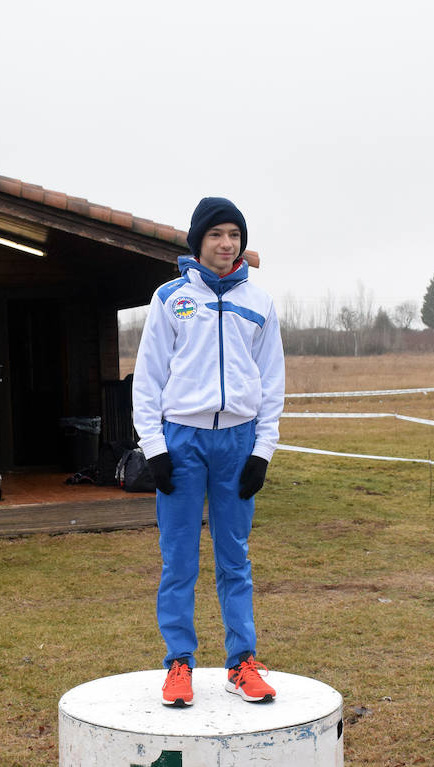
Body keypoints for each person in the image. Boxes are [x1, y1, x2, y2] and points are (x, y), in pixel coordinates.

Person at [132, 197, 285, 707]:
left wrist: (262, 452)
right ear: (199, 241)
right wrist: (154, 448)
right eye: (217, 235)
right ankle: (179, 662)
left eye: (235, 235)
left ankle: (242, 662)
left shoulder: (260, 302)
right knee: (178, 559)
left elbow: (272, 383)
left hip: (237, 443)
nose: (227, 244)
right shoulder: (171, 298)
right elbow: (149, 378)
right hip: (182, 440)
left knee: (234, 558)